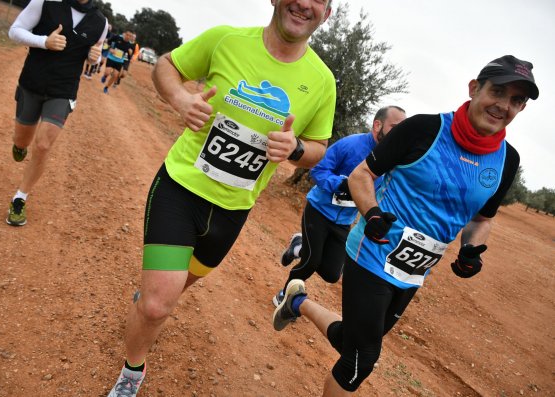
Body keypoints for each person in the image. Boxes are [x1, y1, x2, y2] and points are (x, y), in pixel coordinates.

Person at [272, 54, 539, 395]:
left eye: (517, 100)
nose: (504, 105)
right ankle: (299, 304)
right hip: (373, 252)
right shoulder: (424, 130)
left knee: (353, 342)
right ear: (474, 88)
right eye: (498, 92)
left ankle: (297, 302)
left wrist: (471, 248)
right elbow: (361, 175)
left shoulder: (506, 160)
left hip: (414, 270)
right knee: (361, 359)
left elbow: (482, 219)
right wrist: (371, 214)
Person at [106, 0, 336, 395]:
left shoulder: (322, 80)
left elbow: (319, 145)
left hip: (233, 210)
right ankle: (132, 372)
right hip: (181, 188)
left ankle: (154, 294)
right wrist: (180, 99)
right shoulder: (225, 40)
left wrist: (295, 149)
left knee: (177, 285)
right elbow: (166, 65)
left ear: (327, 13)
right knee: (159, 305)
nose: (304, 4)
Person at [273, 106, 406, 307]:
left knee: (331, 274)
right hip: (318, 210)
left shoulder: (390, 160)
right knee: (310, 262)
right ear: (377, 125)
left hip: (344, 221)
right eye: (395, 127)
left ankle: (298, 246)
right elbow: (318, 170)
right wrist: (340, 185)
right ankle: (284, 296)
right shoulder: (351, 144)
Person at [6, 0, 108, 226]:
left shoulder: (100, 21)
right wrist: (44, 41)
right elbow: (14, 31)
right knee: (21, 140)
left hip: (63, 90)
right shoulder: (45, 2)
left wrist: (95, 58)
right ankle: (19, 146)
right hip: (31, 84)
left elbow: (97, 54)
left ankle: (20, 198)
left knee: (43, 144)